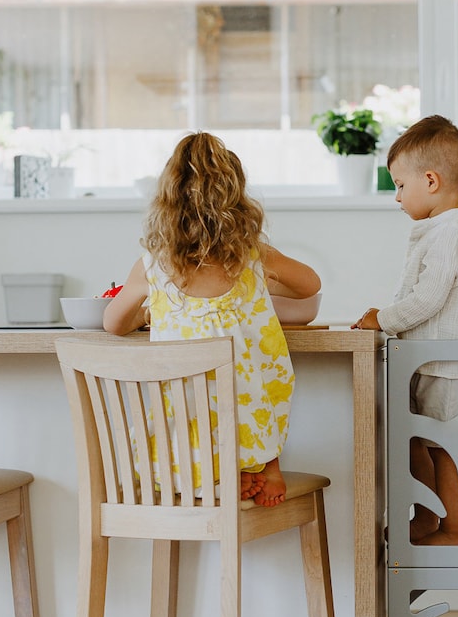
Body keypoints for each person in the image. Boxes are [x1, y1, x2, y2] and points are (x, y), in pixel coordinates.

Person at [105, 131, 321, 507]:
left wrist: (147, 311)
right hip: (249, 421)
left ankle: (213, 477)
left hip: (184, 450)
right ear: (238, 204)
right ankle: (260, 464)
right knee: (251, 379)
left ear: (166, 205)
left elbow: (113, 324)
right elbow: (310, 286)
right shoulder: (254, 256)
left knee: (187, 400)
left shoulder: (153, 268)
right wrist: (263, 281)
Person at [352, 114, 458, 544]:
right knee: (417, 439)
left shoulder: (451, 232)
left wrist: (385, 319)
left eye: (400, 185)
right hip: (434, 363)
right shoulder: (440, 230)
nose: (396, 197)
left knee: (441, 446)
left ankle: (450, 526)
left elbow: (430, 297)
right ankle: (427, 514)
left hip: (446, 367)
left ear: (430, 181)